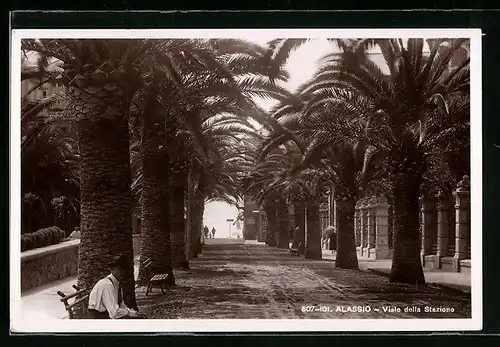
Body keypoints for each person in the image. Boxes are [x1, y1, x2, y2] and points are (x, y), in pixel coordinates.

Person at [87, 254, 146, 319]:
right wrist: (129, 313)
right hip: (98, 319)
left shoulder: (116, 284)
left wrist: (133, 312)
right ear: (112, 269)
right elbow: (114, 313)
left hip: (106, 315)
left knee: (140, 317)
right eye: (120, 269)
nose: (123, 272)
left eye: (124, 269)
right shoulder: (107, 285)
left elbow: (121, 305)